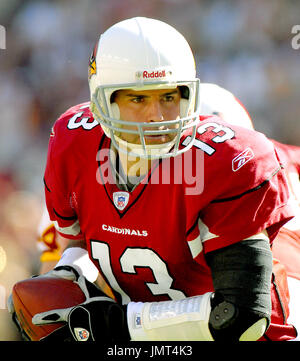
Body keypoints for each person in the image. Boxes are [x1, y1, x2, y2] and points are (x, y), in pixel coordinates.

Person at [10, 17, 298, 341]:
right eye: (138, 98)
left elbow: (239, 317)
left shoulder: (230, 163)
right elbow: (78, 249)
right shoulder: (72, 143)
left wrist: (122, 325)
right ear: (102, 102)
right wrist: (68, 281)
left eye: (169, 97)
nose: (157, 117)